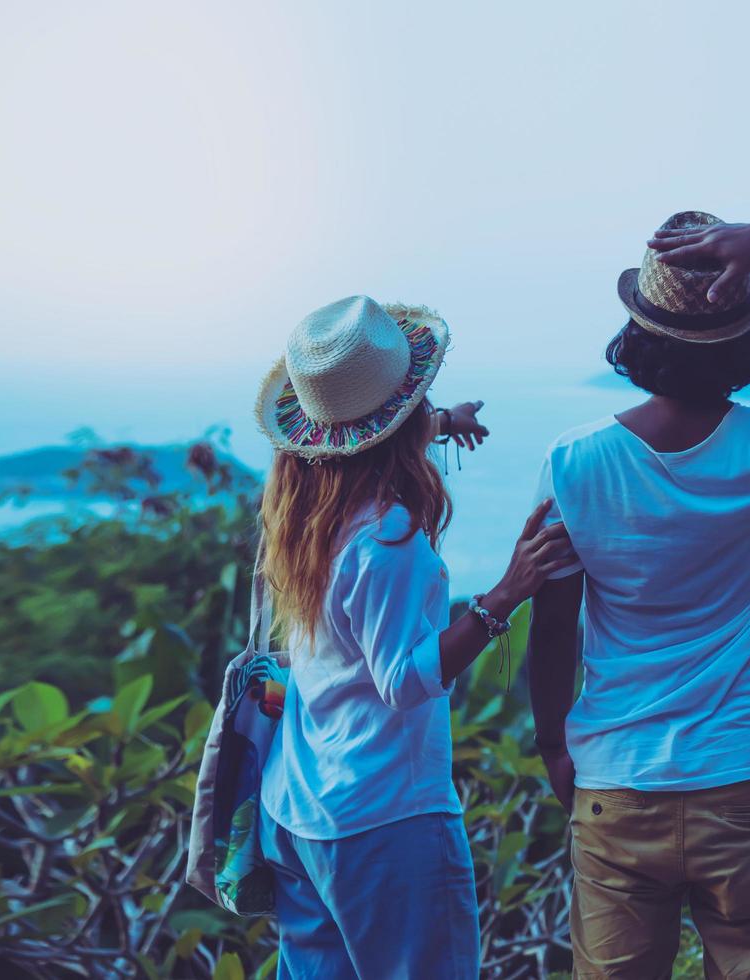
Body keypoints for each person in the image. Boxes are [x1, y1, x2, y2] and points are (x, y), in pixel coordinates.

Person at [526, 212, 750, 979]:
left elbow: (553, 628)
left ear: (639, 334)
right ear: (745, 343)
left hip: (620, 783)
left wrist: (556, 746)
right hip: (749, 780)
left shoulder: (575, 464)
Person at [251, 295, 577, 980]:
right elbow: (402, 683)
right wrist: (503, 598)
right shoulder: (388, 540)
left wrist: (439, 424)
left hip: (301, 809)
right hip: (384, 821)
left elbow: (364, 444)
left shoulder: (308, 507)